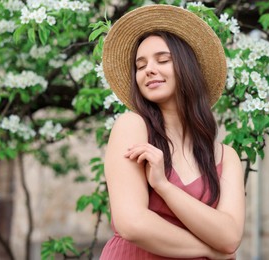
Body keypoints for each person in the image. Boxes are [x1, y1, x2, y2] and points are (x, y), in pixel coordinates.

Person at [100, 4, 245, 260]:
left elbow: (230, 237)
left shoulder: (225, 157)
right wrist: (209, 251)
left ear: (187, 68)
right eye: (140, 65)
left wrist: (163, 186)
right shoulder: (132, 126)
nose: (149, 70)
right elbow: (132, 223)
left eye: (163, 60)